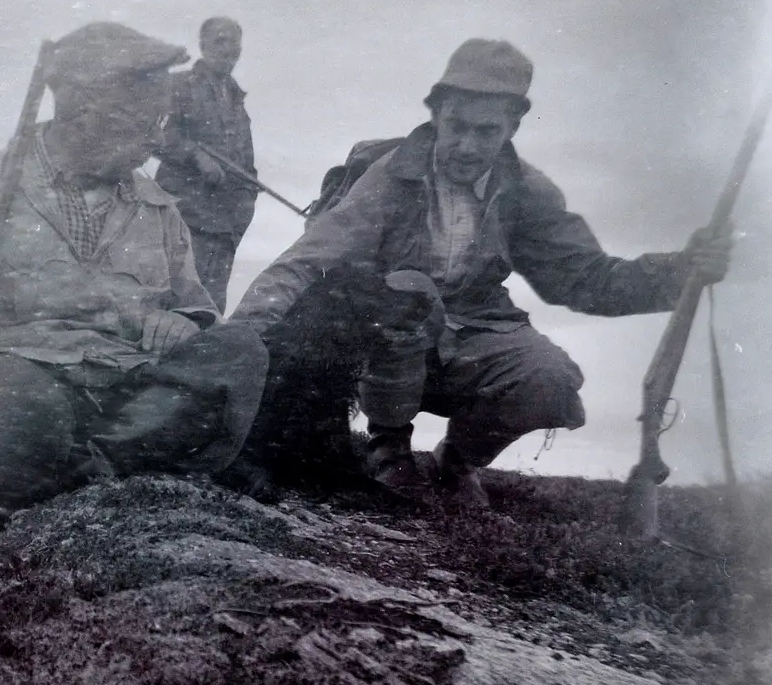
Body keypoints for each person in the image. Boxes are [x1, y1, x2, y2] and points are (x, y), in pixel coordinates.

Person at [230, 38, 731, 507]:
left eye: (486, 130)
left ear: (513, 127)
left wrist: (682, 269)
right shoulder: (389, 174)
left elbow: (587, 279)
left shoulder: (529, 192)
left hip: (476, 331)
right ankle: (389, 447)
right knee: (410, 291)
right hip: (382, 338)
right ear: (436, 116)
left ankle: (459, 461)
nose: (468, 146)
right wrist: (240, 339)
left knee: (549, 380)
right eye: (457, 126)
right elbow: (308, 258)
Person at [0, 22, 268, 549]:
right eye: (149, 121)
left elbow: (196, 308)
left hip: (124, 388)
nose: (158, 140)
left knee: (239, 351)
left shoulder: (158, 205)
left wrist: (183, 322)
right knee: (23, 406)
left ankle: (77, 476)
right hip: (17, 376)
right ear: (85, 115)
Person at [155, 16, 259, 312]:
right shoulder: (178, 86)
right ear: (202, 46)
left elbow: (247, 166)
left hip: (225, 227)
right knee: (177, 305)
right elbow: (155, 134)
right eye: (219, 41)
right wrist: (195, 156)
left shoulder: (237, 101)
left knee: (211, 310)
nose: (228, 49)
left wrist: (246, 206)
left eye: (234, 42)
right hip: (184, 218)